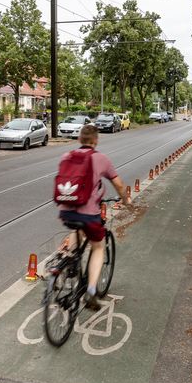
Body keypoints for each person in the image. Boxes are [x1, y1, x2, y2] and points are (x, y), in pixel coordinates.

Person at [58, 124, 130, 309]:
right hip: (89, 214)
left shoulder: (67, 156)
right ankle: (91, 291)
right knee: (97, 247)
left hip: (66, 210)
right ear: (96, 140)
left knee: (77, 229)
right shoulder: (101, 158)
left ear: (79, 139)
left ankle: (67, 260)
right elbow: (119, 185)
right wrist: (126, 200)